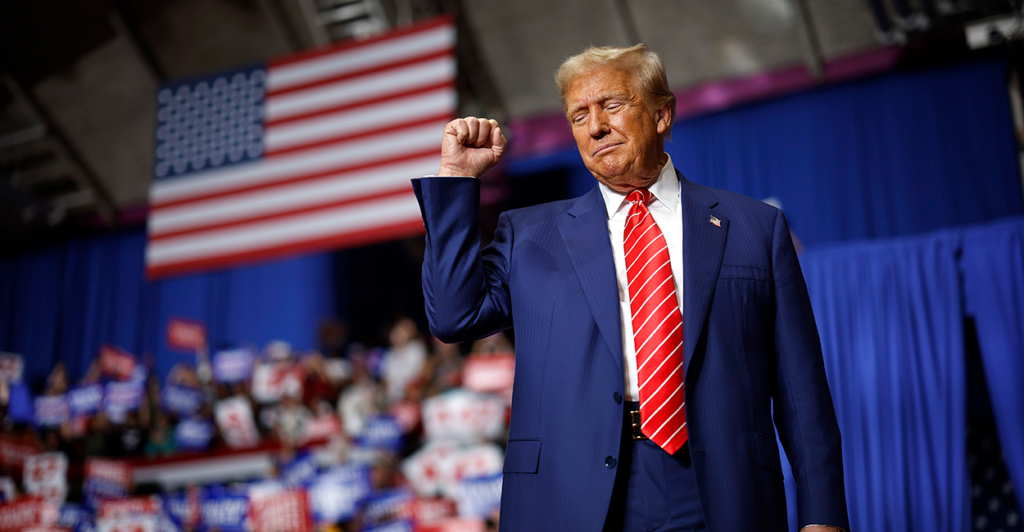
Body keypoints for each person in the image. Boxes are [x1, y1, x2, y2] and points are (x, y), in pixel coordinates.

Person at [412, 44, 848, 532]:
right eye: (579, 116)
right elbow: (453, 317)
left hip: (721, 488)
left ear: (662, 113)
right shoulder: (528, 235)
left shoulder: (755, 229)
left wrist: (822, 516)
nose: (595, 126)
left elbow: (801, 390)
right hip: (570, 491)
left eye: (611, 106)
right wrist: (456, 180)